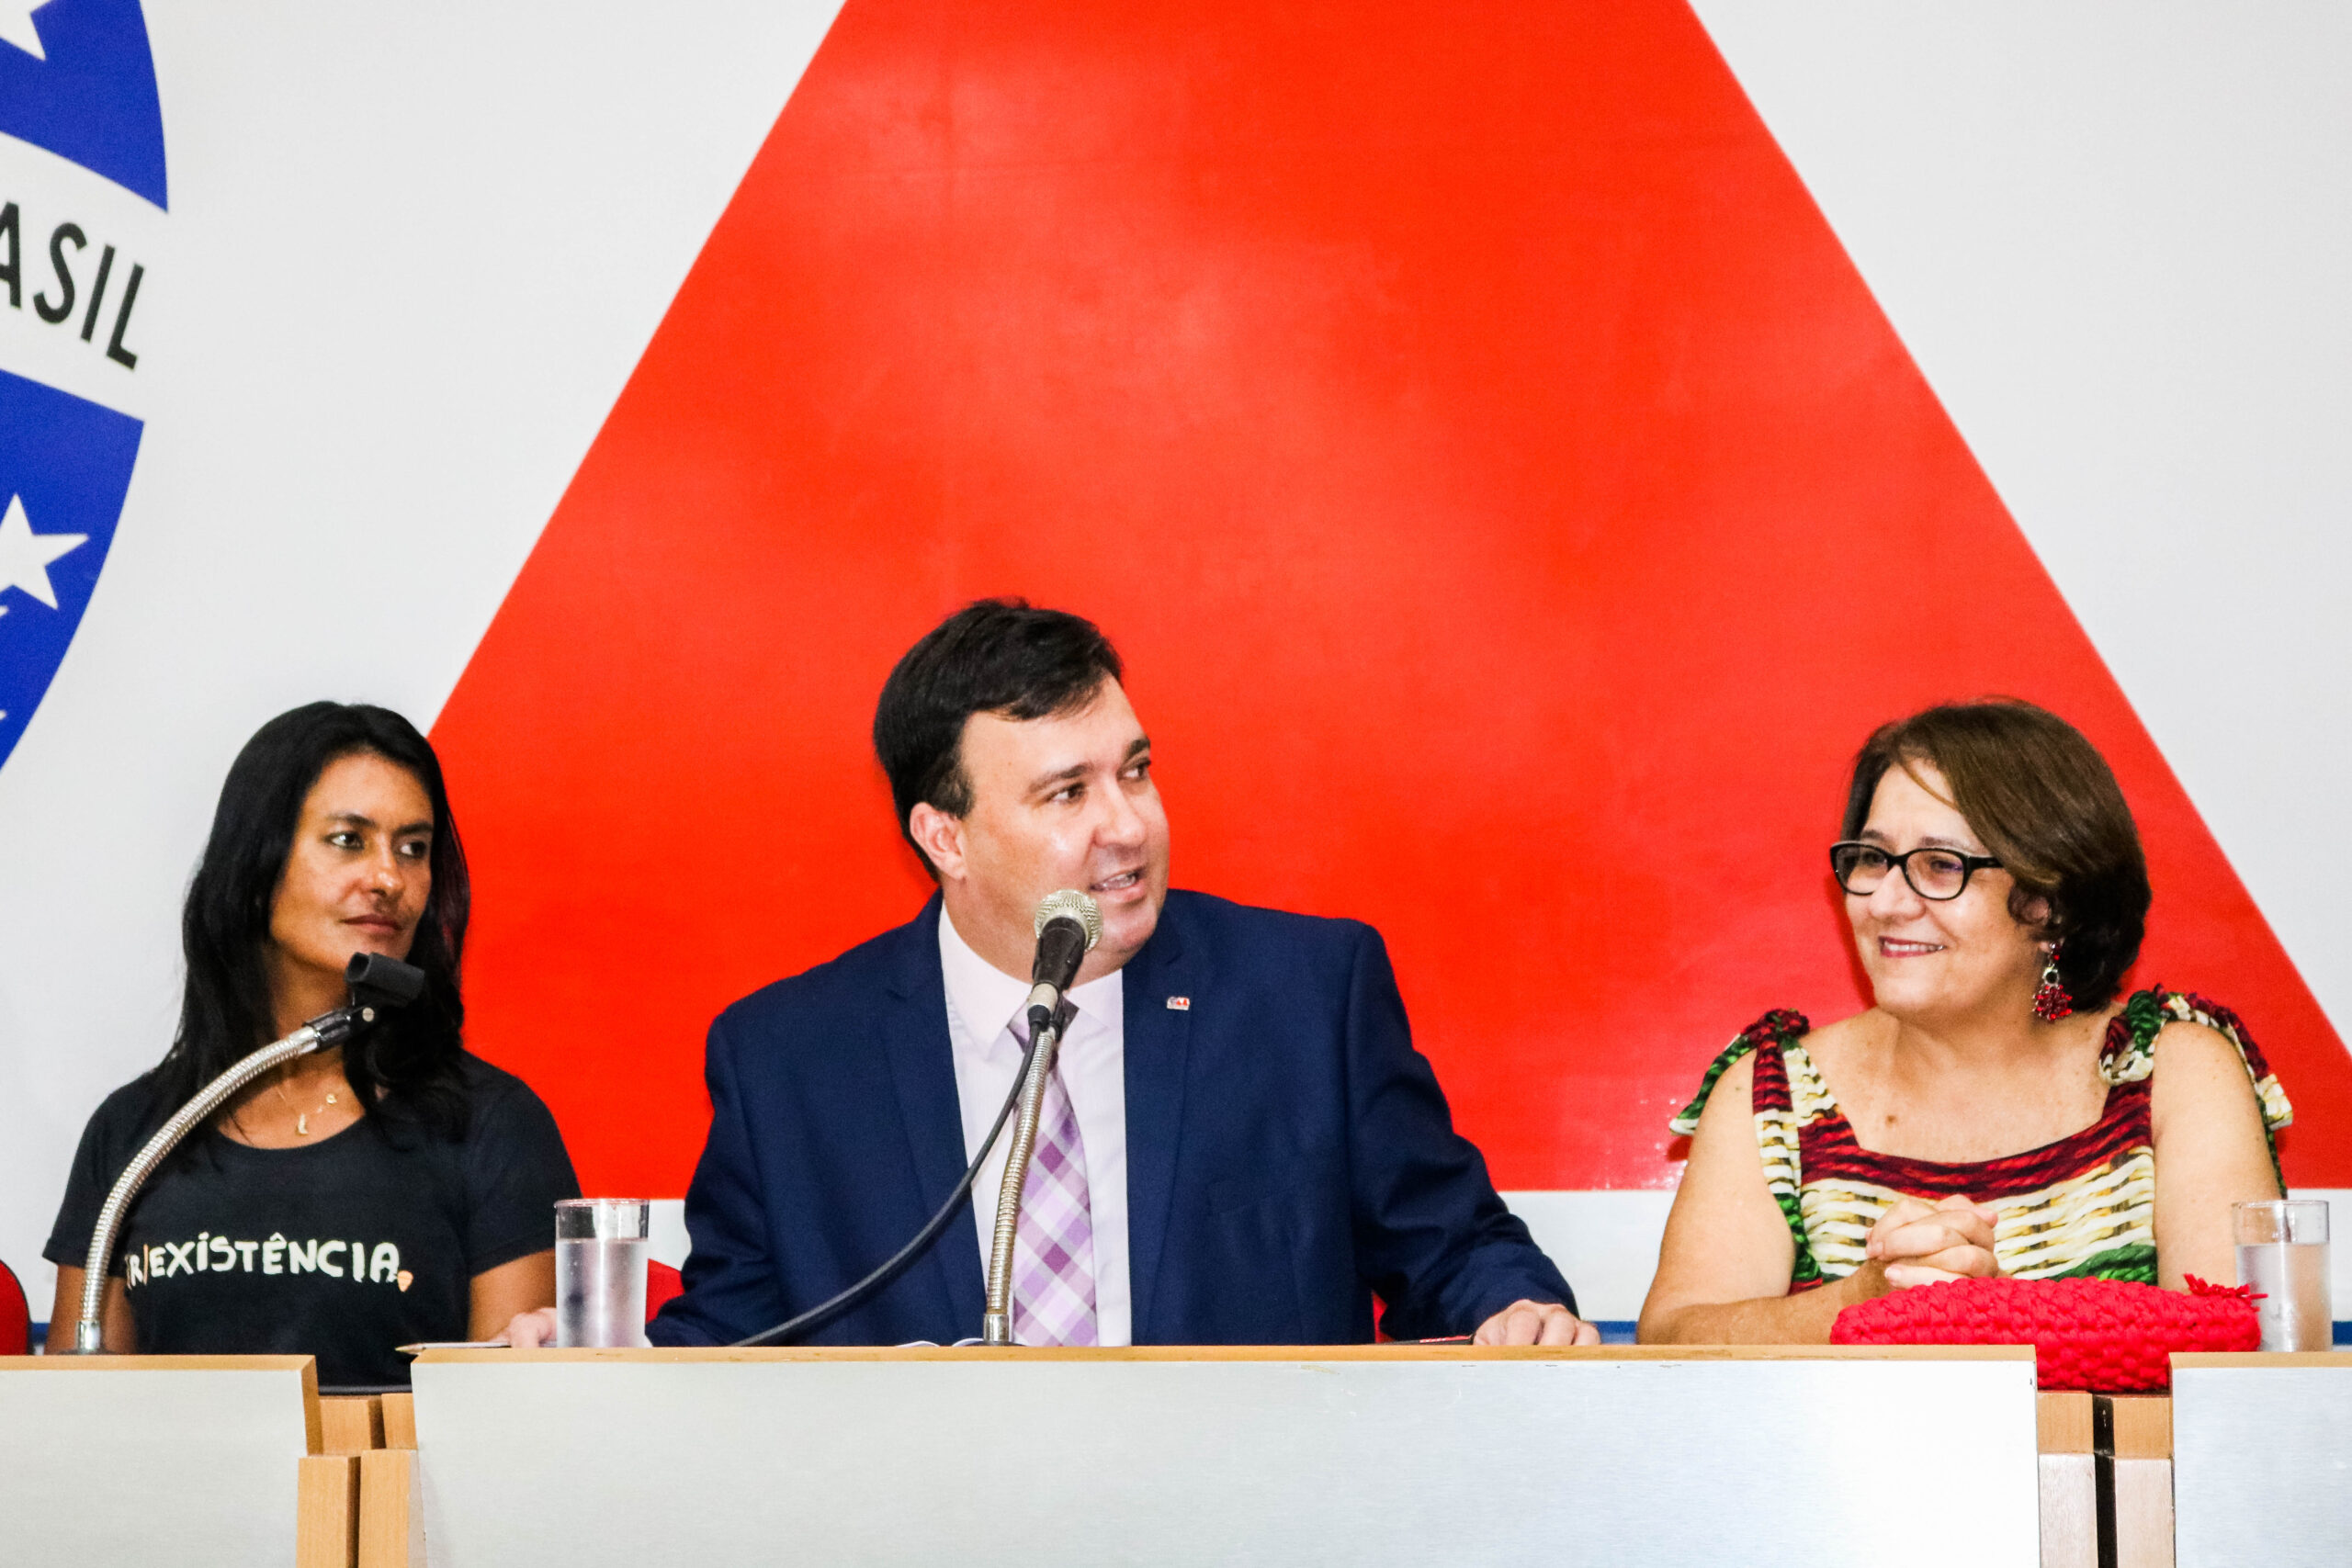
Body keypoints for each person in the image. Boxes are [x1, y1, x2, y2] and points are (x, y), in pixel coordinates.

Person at [510, 599, 1589, 1348]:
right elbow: (740, 1335)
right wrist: (596, 1367)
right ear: (946, 836)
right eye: (1067, 794)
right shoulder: (791, 1059)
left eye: (1135, 771)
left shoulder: (1303, 996)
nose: (1128, 826)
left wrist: (1515, 1312)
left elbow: (1454, 1249)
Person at [1639, 699, 2290, 1344]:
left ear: (2051, 903)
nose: (1885, 901)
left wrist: (1979, 1319)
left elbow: (2237, 1357)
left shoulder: (2171, 1075)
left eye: (1940, 865)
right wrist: (1863, 1302)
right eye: (1873, 858)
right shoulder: (1774, 1095)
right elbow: (1673, 1340)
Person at [46, 703, 579, 1386]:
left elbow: (505, 1421)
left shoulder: (492, 1125)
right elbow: (79, 1419)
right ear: (255, 868)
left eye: (413, 848)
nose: (389, 878)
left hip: (400, 1464)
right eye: (349, 840)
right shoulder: (136, 1131)